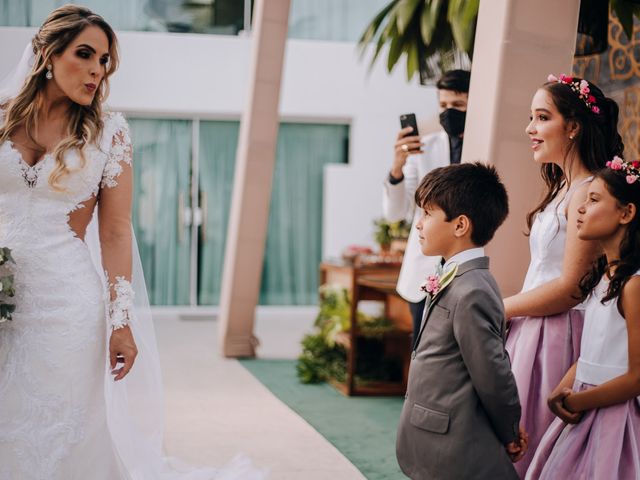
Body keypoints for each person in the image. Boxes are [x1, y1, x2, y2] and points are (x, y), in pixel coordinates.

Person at [0, 5, 264, 479]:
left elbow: (117, 231)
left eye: (104, 61)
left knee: (63, 428)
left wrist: (122, 321)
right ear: (46, 53)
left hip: (68, 306)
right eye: (85, 54)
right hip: (4, 302)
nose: (97, 71)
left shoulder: (108, 133)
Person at [503, 74, 624, 477]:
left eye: (541, 118)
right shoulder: (561, 189)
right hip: (532, 325)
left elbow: (572, 287)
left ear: (572, 127)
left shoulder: (587, 194)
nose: (530, 129)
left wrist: (500, 306)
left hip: (555, 334)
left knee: (531, 440)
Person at [396, 162, 527, 479]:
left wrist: (510, 430)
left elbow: (493, 374)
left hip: (454, 445)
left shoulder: (473, 291)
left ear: (460, 225)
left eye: (427, 214)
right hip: (431, 430)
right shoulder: (452, 276)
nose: (419, 225)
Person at [526, 160, 640, 479]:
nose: (580, 208)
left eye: (593, 200)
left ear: (626, 213)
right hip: (583, 405)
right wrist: (560, 391)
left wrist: (578, 400)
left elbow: (636, 377)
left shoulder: (633, 286)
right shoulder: (602, 279)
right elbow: (589, 354)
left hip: (616, 419)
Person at [382, 69, 470, 341]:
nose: (449, 112)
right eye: (443, 105)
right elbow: (395, 213)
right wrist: (397, 166)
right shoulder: (423, 150)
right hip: (424, 273)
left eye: (458, 105)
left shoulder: (486, 145)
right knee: (422, 355)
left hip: (469, 273)